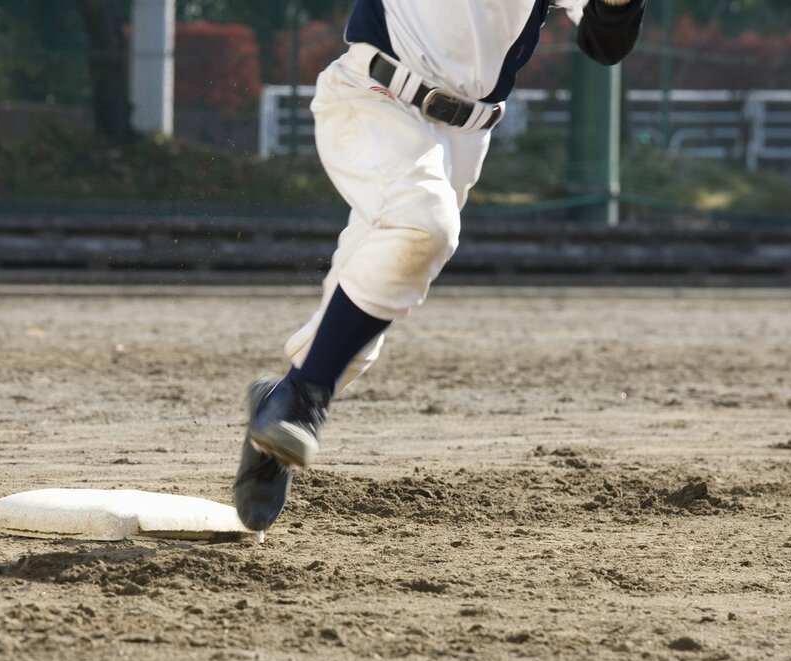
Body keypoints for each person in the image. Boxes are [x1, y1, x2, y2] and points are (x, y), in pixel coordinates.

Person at [233, 0, 647, 531]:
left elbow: (604, 43)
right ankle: (301, 399)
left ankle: (281, 406)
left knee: (374, 298)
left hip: (462, 138)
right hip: (376, 95)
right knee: (425, 226)